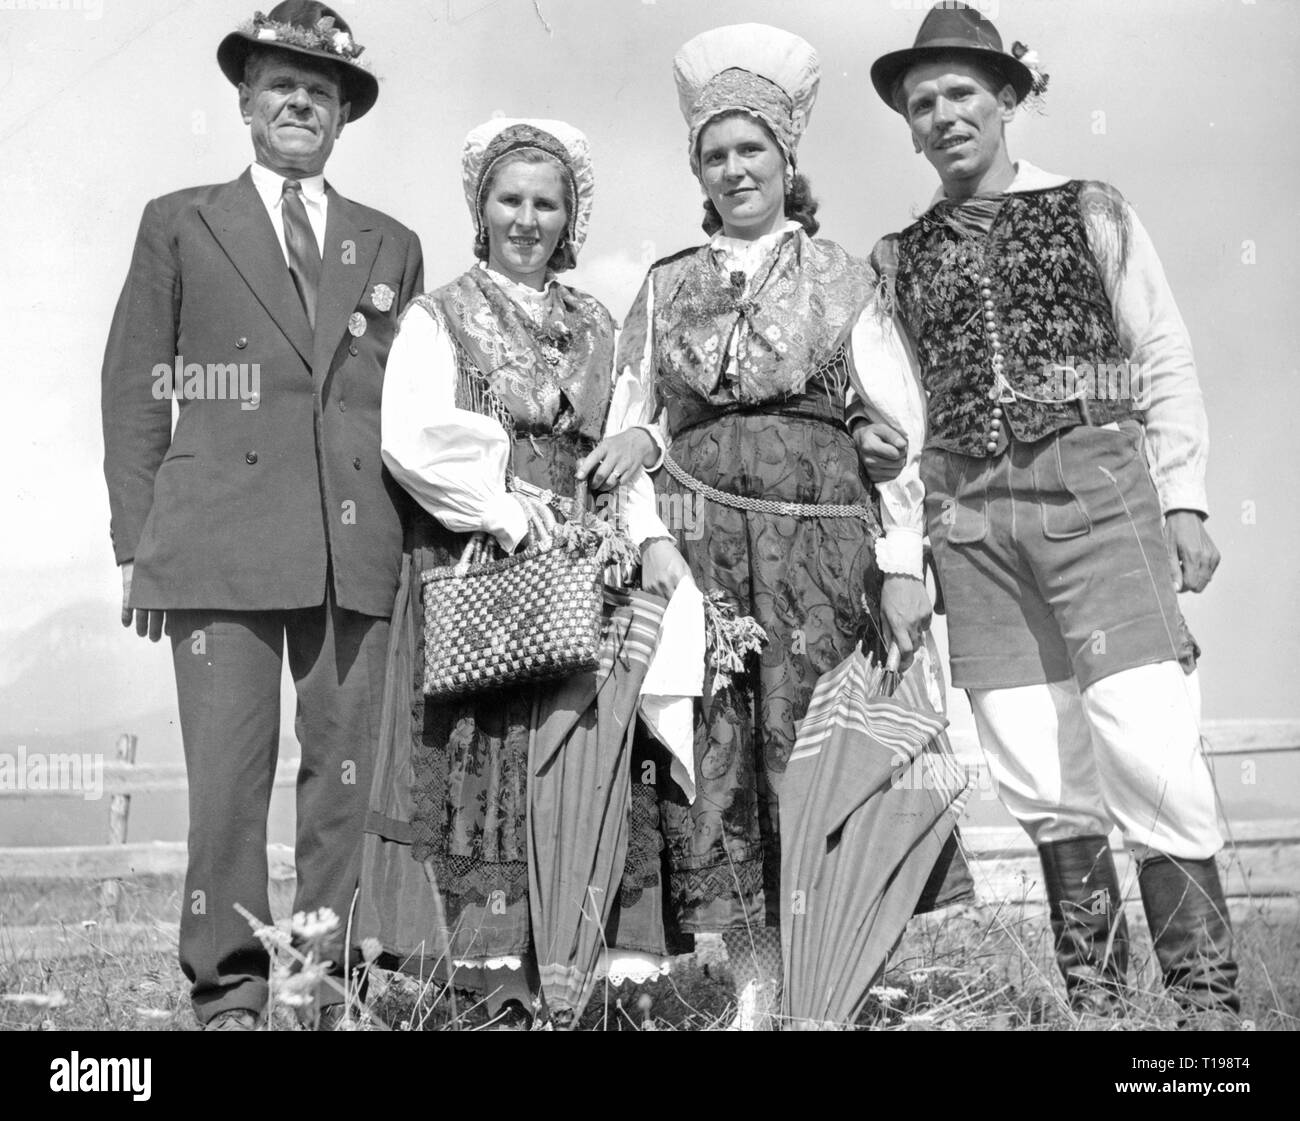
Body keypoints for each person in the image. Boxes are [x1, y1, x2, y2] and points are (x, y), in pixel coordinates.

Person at [857, 2, 1238, 1016]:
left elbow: (1159, 350)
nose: (940, 115)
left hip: (1099, 493)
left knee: (1147, 742)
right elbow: (896, 418)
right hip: (970, 522)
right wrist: (902, 559)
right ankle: (1106, 1008)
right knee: (1035, 762)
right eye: (920, 101)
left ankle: (1205, 1015)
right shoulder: (894, 259)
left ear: (1010, 97)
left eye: (960, 94)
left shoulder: (1091, 206)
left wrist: (1186, 500)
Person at [578, 24, 937, 1029]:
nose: (734, 168)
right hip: (702, 552)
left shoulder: (844, 277)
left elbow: (899, 431)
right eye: (715, 153)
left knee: (819, 758)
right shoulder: (663, 285)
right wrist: (651, 541)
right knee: (719, 757)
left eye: (752, 150)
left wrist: (903, 563)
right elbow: (631, 423)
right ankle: (756, 977)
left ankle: (840, 973)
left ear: (788, 161)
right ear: (698, 168)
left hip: (824, 551)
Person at [101, 1, 423, 1030]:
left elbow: (409, 405)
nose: (298, 102)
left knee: (343, 780)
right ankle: (231, 989)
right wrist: (135, 546)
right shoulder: (180, 219)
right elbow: (138, 387)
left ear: (342, 116)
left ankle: (321, 982)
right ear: (243, 102)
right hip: (214, 545)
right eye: (280, 84)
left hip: (353, 545)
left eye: (319, 90)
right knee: (230, 784)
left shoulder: (391, 243)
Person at [358, 117, 682, 1029]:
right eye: (511, 199)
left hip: (584, 563)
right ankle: (484, 980)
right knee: (487, 754)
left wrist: (647, 532)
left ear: (570, 216)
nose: (527, 218)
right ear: (481, 207)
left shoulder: (596, 323)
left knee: (578, 759)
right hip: (482, 559)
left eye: (547, 202)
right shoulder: (441, 314)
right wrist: (504, 512)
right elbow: (410, 436)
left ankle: (575, 970)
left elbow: (626, 443)